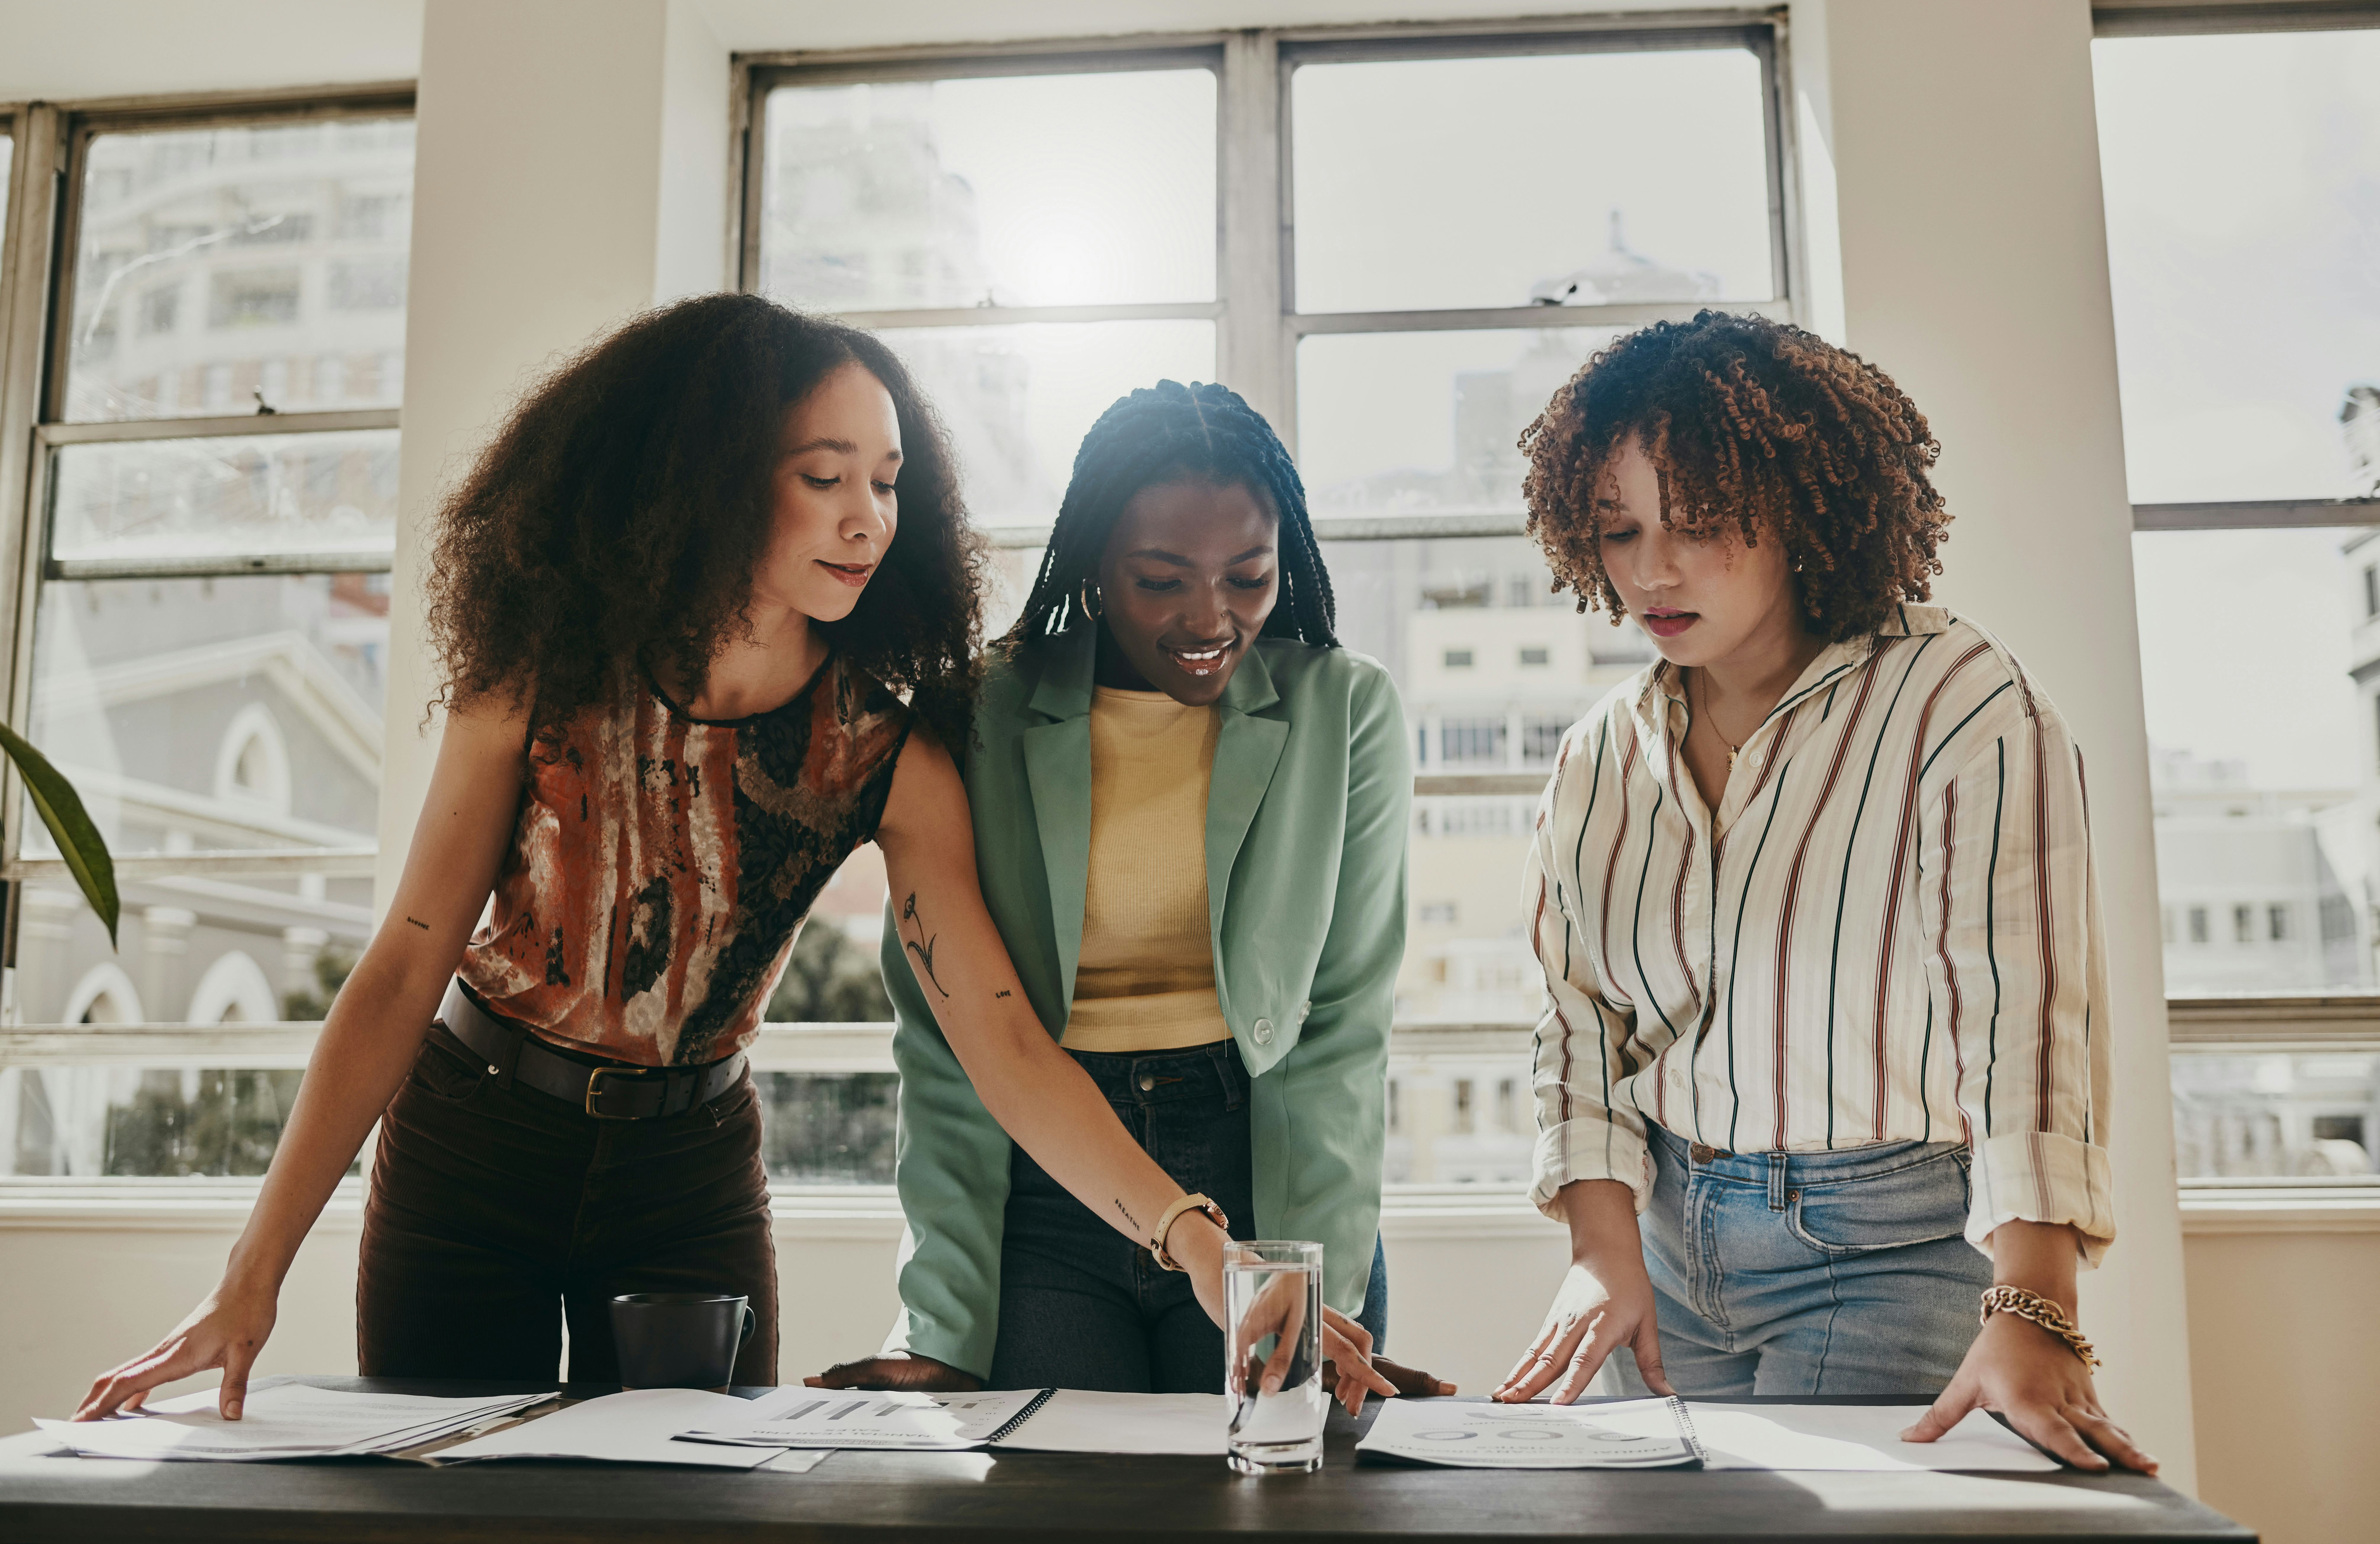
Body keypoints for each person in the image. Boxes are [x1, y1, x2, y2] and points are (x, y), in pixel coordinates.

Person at [74, 302, 1391, 1420]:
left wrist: (1203, 1249)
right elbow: (404, 967)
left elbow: (998, 1038)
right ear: (708, 474)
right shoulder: (541, 675)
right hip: (472, 1141)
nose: (869, 519)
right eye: (825, 478)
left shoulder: (891, 741)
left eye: (888, 481)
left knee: (715, 1511)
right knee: (455, 1505)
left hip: (690, 1165)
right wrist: (251, 1274)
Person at [1493, 311, 2156, 1475]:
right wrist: (1603, 1253)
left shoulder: (1961, 704)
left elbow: (2022, 1019)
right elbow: (1578, 1023)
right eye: (1619, 530)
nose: (1653, 570)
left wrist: (2034, 1303)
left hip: (1887, 1247)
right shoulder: (1599, 756)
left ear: (1801, 507)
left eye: (1698, 526)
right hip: (1660, 1244)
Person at [811, 381, 1449, 1398]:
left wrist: (1315, 1280)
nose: (1212, 618)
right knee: (1061, 1507)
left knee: (1268, 1509)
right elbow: (949, 1042)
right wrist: (942, 1316)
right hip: (1048, 1187)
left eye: (1249, 576)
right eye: (1162, 580)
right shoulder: (982, 714)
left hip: (1261, 1163)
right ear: (1095, 568)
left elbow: (1340, 1031)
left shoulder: (1347, 712)